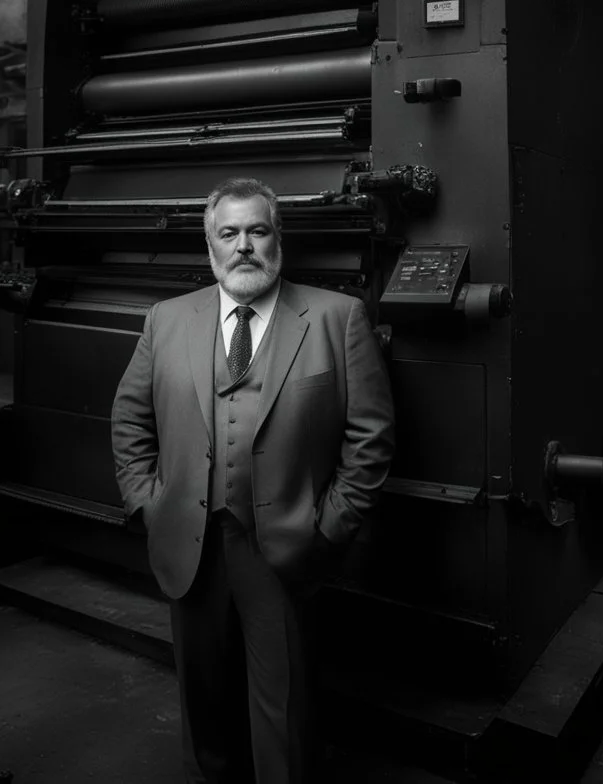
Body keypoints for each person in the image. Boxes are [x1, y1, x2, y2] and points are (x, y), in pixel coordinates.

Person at [111, 175, 395, 784]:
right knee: (204, 703)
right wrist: (147, 505)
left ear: (277, 240)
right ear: (209, 246)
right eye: (229, 232)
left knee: (282, 709)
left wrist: (328, 526)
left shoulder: (336, 318)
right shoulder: (166, 320)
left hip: (286, 544)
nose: (244, 245)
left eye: (257, 230)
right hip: (188, 539)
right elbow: (130, 421)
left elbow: (371, 439)